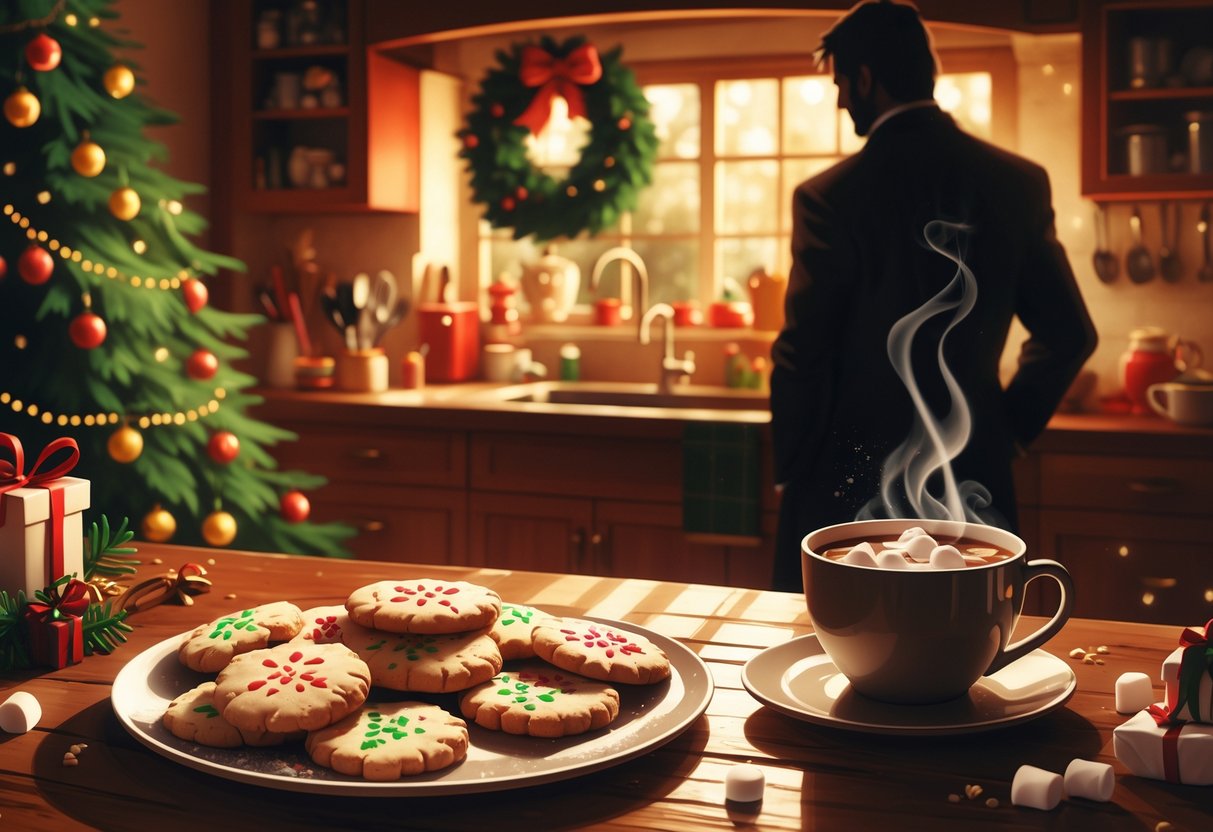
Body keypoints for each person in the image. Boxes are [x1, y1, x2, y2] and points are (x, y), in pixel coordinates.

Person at [769, 0, 1097, 591]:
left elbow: (804, 351)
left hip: (846, 482)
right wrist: (1005, 429)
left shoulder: (829, 198)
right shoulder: (1017, 183)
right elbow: (1069, 334)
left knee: (823, 657)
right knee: (969, 646)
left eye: (842, 83)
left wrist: (790, 466)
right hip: (974, 476)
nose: (842, 101)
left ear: (866, 78)